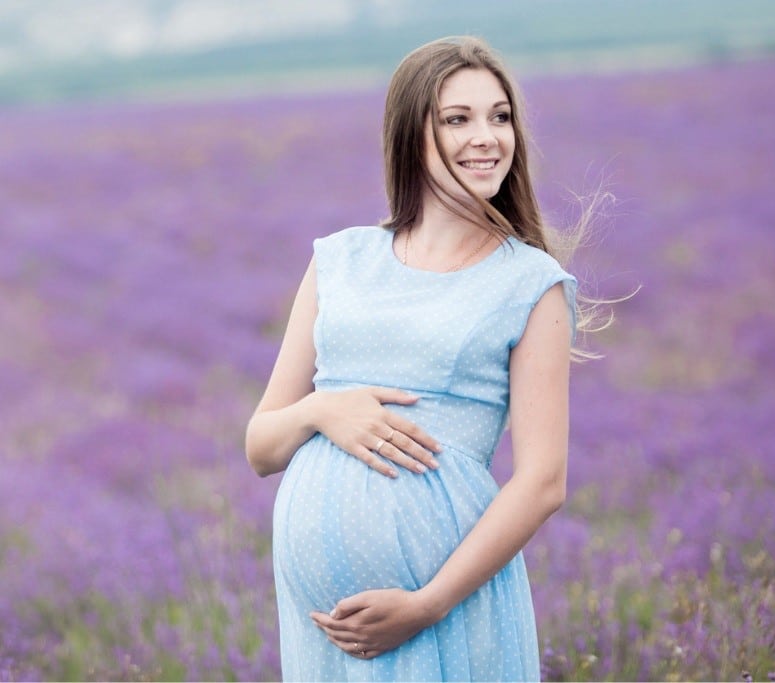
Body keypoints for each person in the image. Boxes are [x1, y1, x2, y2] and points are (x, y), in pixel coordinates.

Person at [245, 35, 594, 682]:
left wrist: (424, 603)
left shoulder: (530, 283)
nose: (486, 136)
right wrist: (323, 409)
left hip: (443, 611)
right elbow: (262, 446)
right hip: (326, 633)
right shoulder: (340, 259)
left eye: (499, 115)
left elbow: (543, 481)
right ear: (411, 134)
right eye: (457, 119)